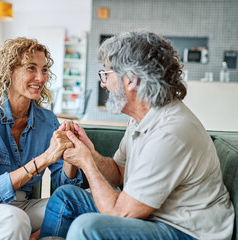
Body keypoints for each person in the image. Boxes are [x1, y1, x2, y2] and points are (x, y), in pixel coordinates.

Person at [39, 31, 234, 240]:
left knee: (88, 228)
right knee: (65, 197)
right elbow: (119, 173)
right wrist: (89, 152)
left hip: (187, 230)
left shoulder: (170, 133)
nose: (103, 83)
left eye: (106, 74)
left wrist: (86, 162)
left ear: (131, 79)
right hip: (153, 214)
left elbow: (119, 212)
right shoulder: (141, 117)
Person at [0, 37, 82, 240]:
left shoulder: (47, 121)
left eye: (44, 70)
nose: (40, 77)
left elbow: (63, 185)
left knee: (79, 205)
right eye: (31, 68)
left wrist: (71, 155)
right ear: (9, 71)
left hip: (20, 204)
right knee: (14, 220)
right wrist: (45, 157)